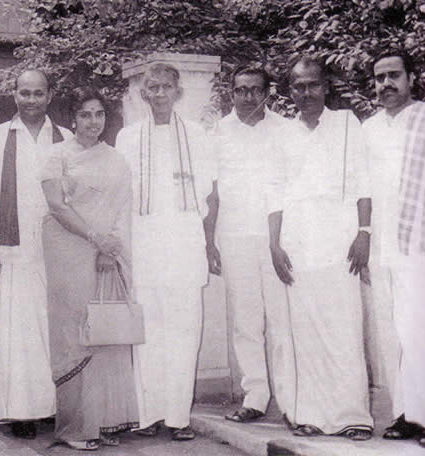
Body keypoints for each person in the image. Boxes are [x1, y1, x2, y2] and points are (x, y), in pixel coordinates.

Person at [268, 56, 374, 439]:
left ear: (326, 86)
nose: (307, 92)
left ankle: (353, 416)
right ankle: (309, 414)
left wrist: (364, 232)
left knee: (344, 326)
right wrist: (273, 244)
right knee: (305, 329)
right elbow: (274, 191)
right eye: (298, 86)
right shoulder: (281, 132)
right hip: (297, 238)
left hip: (340, 236)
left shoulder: (347, 123)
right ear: (290, 91)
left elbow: (364, 182)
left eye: (313, 84)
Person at [116, 63, 215, 441]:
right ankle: (147, 414)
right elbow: (121, 195)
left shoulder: (197, 135)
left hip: (185, 244)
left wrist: (208, 242)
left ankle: (178, 417)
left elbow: (210, 193)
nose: (159, 94)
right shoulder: (127, 137)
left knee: (184, 329)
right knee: (148, 331)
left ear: (178, 92)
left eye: (166, 87)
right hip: (143, 244)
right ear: (143, 94)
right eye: (152, 88)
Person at [363, 49, 425, 449]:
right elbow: (363, 190)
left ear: (411, 78)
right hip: (384, 247)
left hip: (423, 245)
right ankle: (405, 414)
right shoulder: (368, 127)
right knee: (391, 335)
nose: (386, 84)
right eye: (380, 77)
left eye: (393, 75)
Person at [41, 87, 138, 451]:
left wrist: (109, 248)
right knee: (74, 332)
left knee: (105, 330)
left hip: (106, 253)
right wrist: (97, 238)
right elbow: (57, 206)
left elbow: (122, 208)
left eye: (99, 114)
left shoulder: (116, 159)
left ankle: (105, 423)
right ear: (73, 118)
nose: (93, 122)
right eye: (85, 114)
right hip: (68, 249)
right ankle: (76, 427)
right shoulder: (57, 155)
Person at [0, 69, 72, 439]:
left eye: (38, 93)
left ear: (50, 95)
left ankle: (53, 406)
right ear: (14, 95)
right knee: (17, 327)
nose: (31, 99)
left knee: (53, 325)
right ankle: (21, 411)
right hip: (12, 246)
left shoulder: (64, 138)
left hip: (57, 246)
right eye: (24, 93)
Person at [204, 64, 296, 424]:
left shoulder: (284, 130)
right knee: (246, 320)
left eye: (255, 90)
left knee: (280, 319)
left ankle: (290, 400)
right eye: (240, 90)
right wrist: (208, 240)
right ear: (232, 92)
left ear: (267, 93)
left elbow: (291, 186)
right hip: (234, 235)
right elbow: (211, 193)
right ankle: (255, 396)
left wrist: (284, 239)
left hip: (277, 239)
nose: (247, 97)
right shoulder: (218, 133)